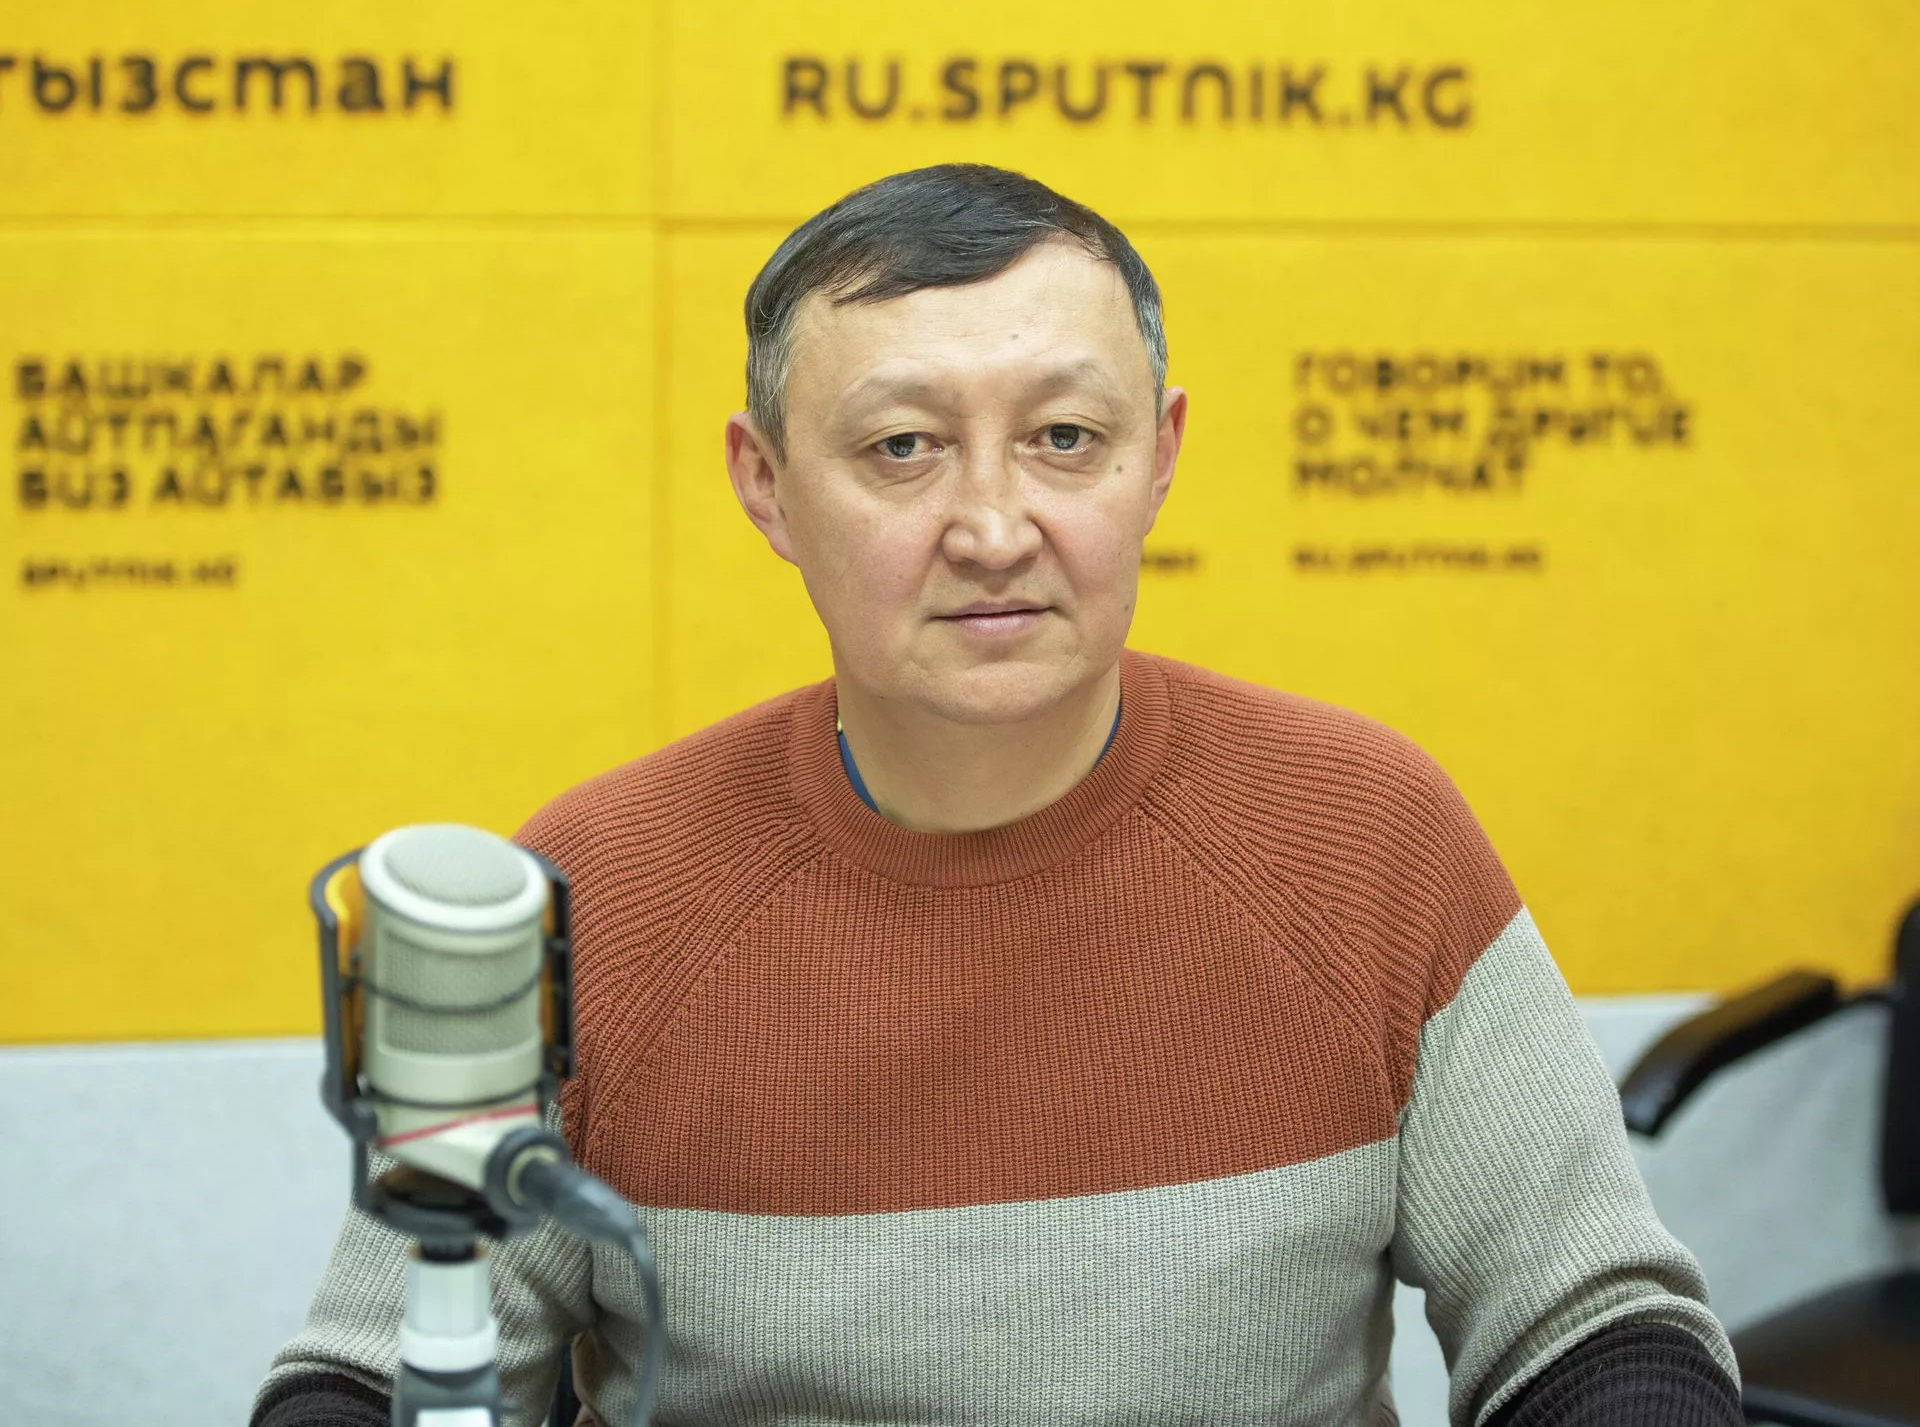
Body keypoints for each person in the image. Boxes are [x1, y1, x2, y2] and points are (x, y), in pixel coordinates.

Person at [255, 163, 1741, 1427]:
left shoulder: (1365, 834)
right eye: (902, 448)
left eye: (1064, 440)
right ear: (766, 485)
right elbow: (371, 1371)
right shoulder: (600, 888)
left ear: (1159, 457)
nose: (991, 526)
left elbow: (1590, 1320)